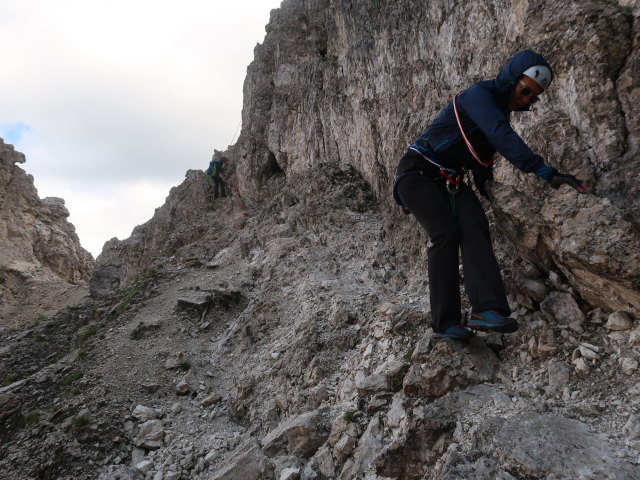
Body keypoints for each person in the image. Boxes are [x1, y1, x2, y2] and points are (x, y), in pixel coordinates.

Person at [393, 50, 587, 340]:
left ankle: (488, 311)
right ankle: (444, 324)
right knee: (445, 232)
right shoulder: (479, 96)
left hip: (450, 180)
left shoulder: (497, 113)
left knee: (475, 227)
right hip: (417, 173)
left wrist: (490, 190)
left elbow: (481, 163)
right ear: (512, 79)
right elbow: (499, 135)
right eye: (524, 91)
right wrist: (545, 172)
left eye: (532, 98)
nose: (525, 100)